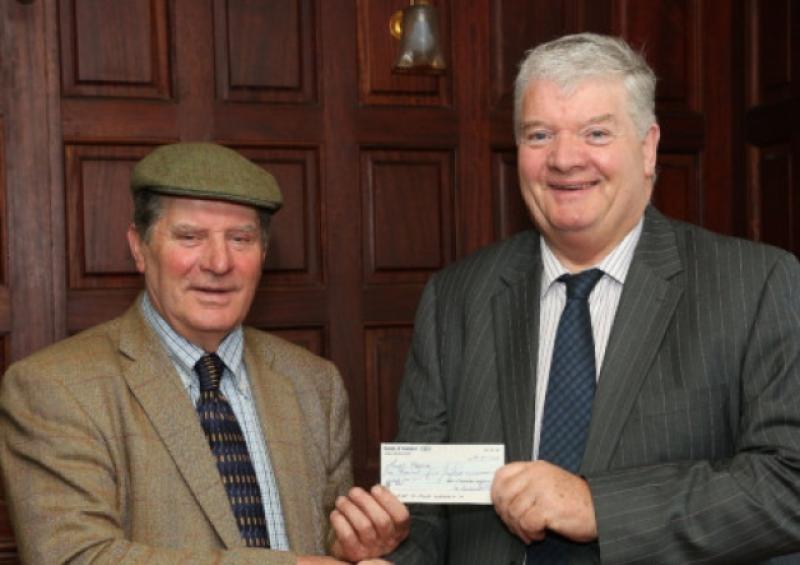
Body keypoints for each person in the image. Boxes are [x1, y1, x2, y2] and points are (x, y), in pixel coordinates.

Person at [332, 33, 800, 564]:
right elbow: (427, 511)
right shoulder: (455, 299)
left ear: (648, 148)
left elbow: (789, 484)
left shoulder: (755, 285)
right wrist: (390, 548)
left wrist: (600, 506)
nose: (564, 158)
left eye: (596, 133)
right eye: (539, 135)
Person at [0, 142, 354, 564]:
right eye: (190, 237)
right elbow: (75, 557)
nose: (219, 262)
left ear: (263, 254)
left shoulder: (315, 383)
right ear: (139, 247)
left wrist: (353, 543)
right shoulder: (54, 388)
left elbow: (329, 542)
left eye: (240, 239)